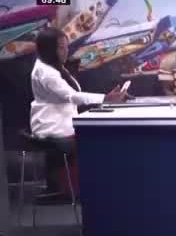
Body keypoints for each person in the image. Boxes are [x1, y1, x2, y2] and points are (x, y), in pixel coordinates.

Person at [30, 27, 128, 199]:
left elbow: (73, 94)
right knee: (95, 139)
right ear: (49, 49)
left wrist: (105, 98)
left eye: (66, 46)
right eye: (61, 47)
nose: (66, 51)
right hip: (53, 127)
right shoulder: (46, 73)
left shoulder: (53, 66)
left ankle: (84, 186)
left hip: (62, 122)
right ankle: (84, 188)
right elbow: (73, 96)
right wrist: (106, 98)